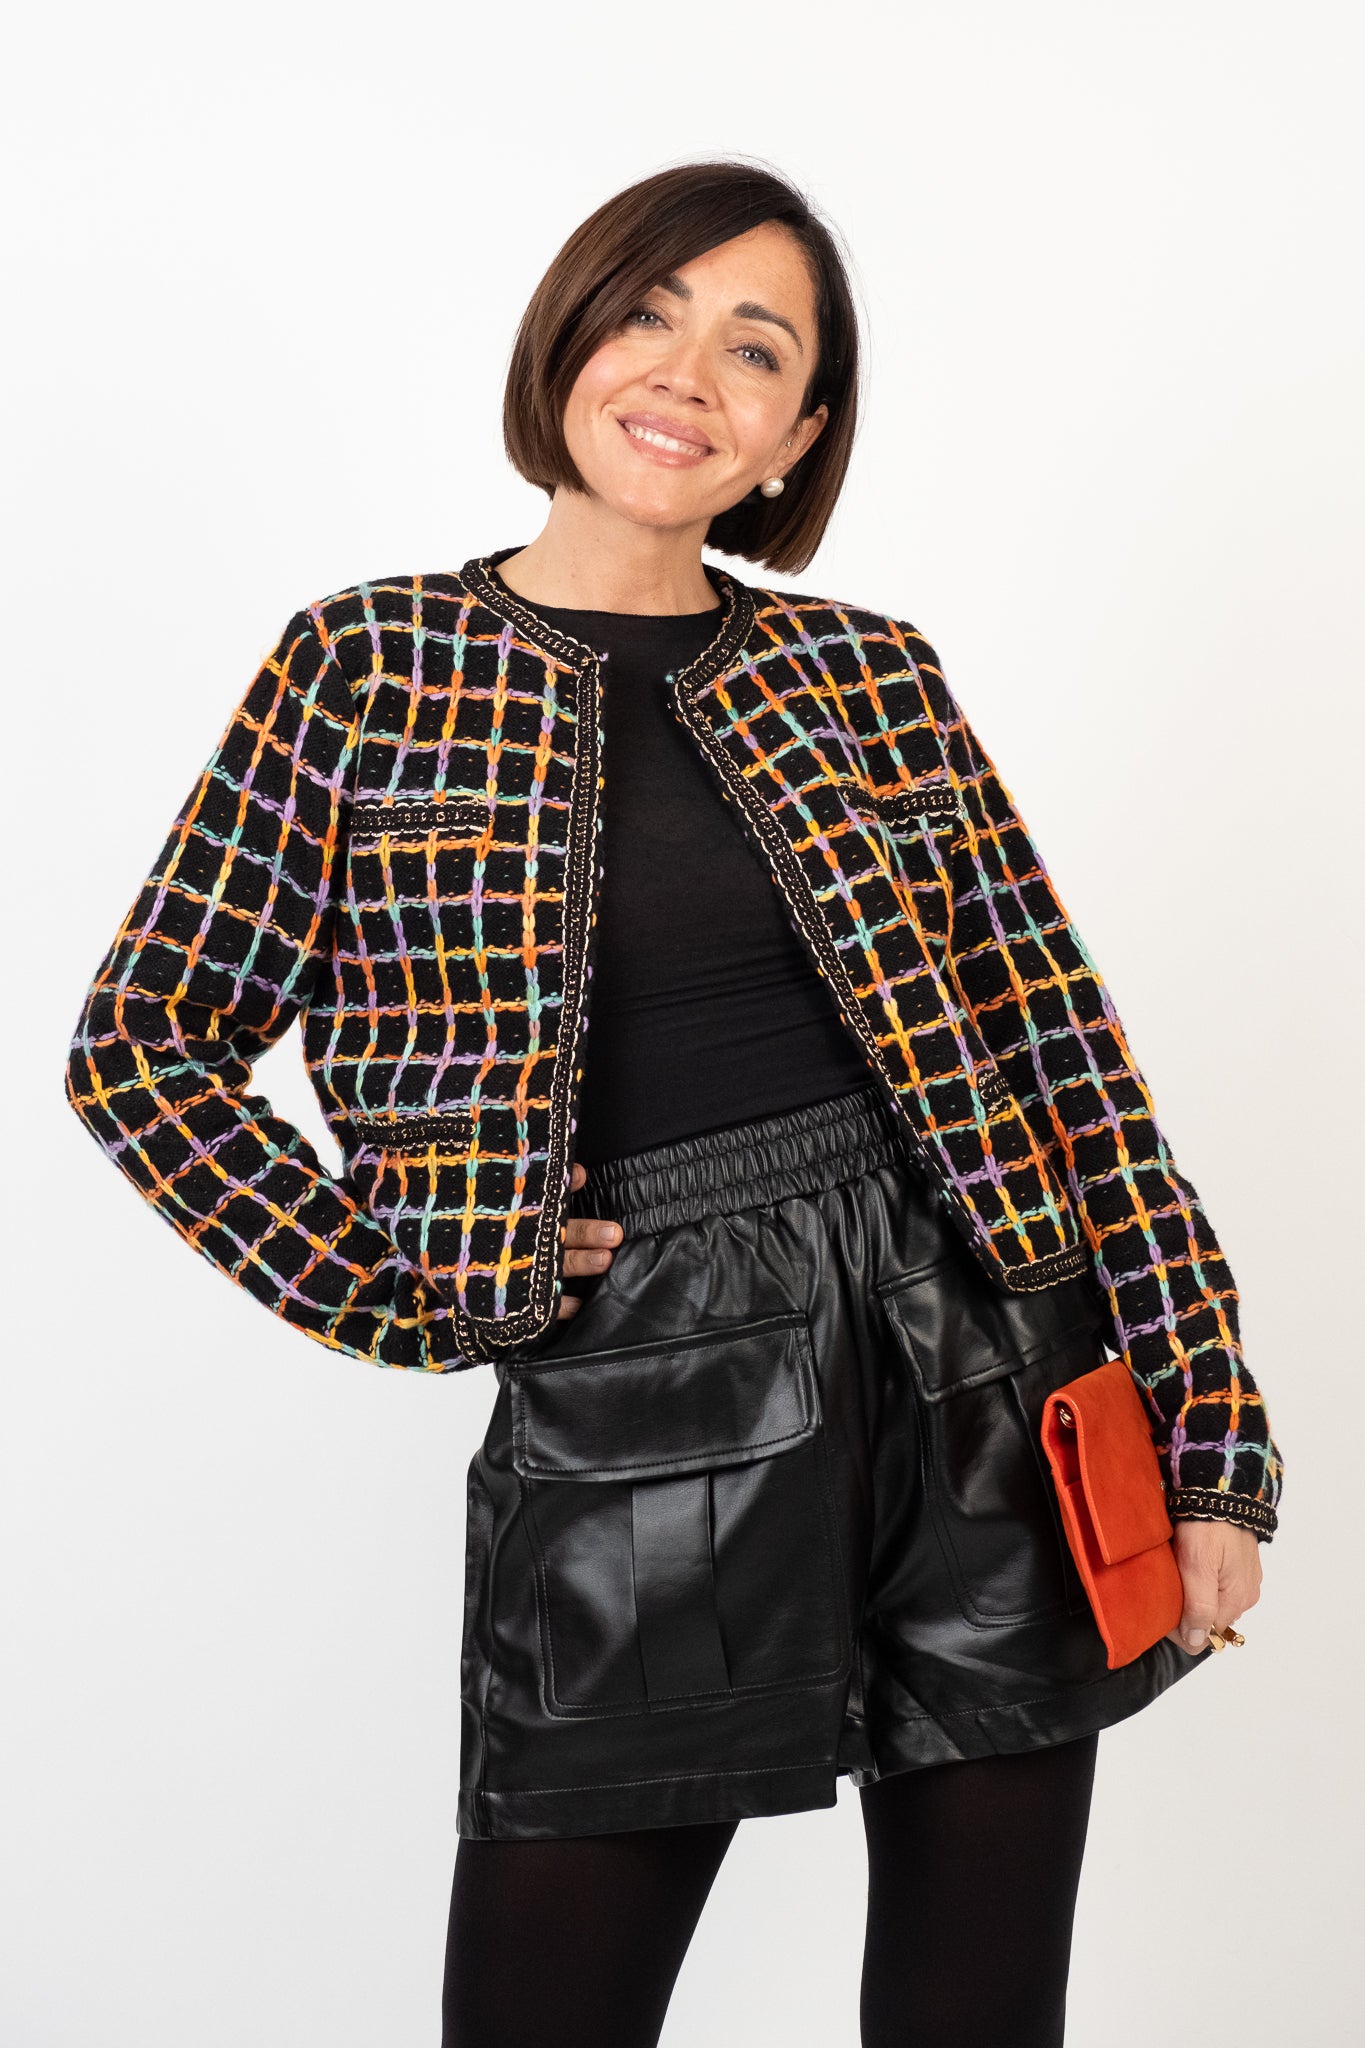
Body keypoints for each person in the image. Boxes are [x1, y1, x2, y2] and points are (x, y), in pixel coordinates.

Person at [65, 160, 1282, 2048]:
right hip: (643, 1371)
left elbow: (1065, 1058)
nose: (687, 374)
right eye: (649, 312)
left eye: (754, 349)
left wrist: (1208, 1440)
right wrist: (409, 1284)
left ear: (795, 436)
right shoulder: (367, 663)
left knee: (980, 2010)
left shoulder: (872, 675)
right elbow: (143, 1046)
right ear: (569, 335)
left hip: (982, 1354)